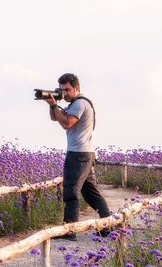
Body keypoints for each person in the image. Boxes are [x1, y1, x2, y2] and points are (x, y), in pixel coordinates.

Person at [44, 73, 111, 241]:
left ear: (76, 88)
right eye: (62, 90)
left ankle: (69, 229)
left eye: (67, 90)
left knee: (70, 190)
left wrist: (56, 107)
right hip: (85, 153)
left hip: (78, 154)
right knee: (91, 194)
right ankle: (107, 226)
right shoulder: (75, 103)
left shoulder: (79, 103)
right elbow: (55, 119)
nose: (64, 93)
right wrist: (52, 105)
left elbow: (67, 123)